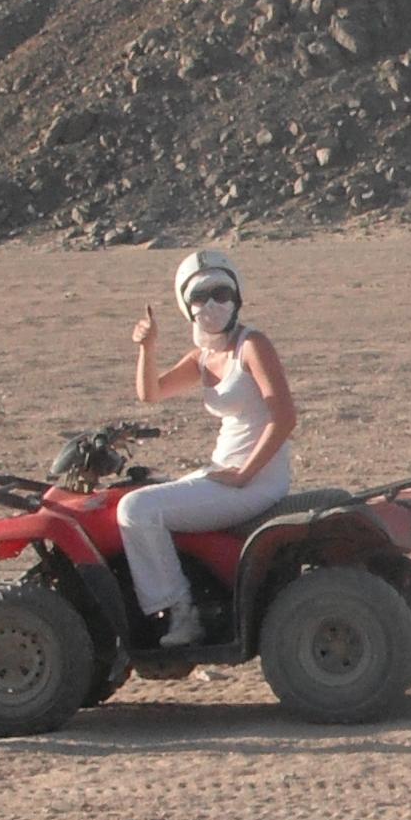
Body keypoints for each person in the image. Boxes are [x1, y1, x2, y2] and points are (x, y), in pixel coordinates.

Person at [118, 248, 297, 648]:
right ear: (187, 305)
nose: (212, 304)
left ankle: (181, 613)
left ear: (237, 297)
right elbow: (151, 393)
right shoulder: (203, 357)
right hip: (223, 472)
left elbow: (284, 417)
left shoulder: (252, 346)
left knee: (136, 510)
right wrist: (147, 347)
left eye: (221, 293)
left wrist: (243, 475)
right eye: (201, 296)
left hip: (255, 480)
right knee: (136, 494)